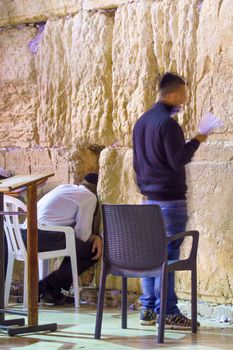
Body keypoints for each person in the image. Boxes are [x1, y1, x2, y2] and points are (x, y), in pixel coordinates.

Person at [133, 73, 207, 329]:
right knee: (169, 257)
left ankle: (148, 309)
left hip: (149, 200)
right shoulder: (168, 124)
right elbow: (178, 161)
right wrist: (197, 140)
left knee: (153, 255)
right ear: (172, 94)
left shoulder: (142, 122)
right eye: (183, 95)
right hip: (170, 202)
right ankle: (167, 311)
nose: (184, 100)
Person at [21, 172, 102, 305]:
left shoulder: (64, 187)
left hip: (22, 235)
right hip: (40, 237)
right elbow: (83, 235)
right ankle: (44, 287)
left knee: (76, 247)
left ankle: (54, 292)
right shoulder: (89, 197)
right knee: (91, 251)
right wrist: (96, 237)